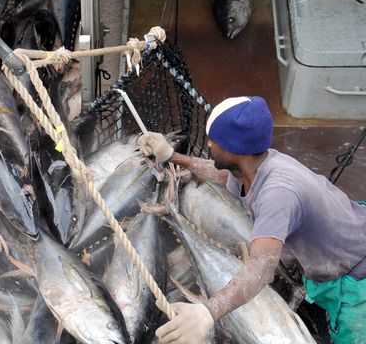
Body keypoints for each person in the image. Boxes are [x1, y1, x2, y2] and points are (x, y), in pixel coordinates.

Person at [138, 96, 366, 344]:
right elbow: (222, 174)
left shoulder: (278, 194)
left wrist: (208, 312)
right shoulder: (259, 163)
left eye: (214, 140)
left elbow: (262, 268)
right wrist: (172, 156)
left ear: (235, 151)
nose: (209, 144)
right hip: (347, 236)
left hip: (356, 282)